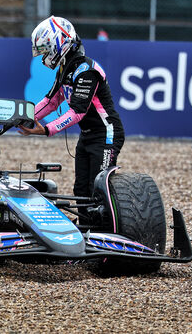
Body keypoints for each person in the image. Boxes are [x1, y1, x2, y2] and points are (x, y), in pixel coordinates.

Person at [18, 16, 125, 218]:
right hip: (87, 135)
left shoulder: (87, 70)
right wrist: (21, 116)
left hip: (106, 134)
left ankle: (108, 232)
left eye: (45, 51)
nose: (43, 57)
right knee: (81, 189)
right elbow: (51, 101)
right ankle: (86, 227)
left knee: (99, 189)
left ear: (59, 44)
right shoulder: (65, 68)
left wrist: (47, 130)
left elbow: (77, 111)